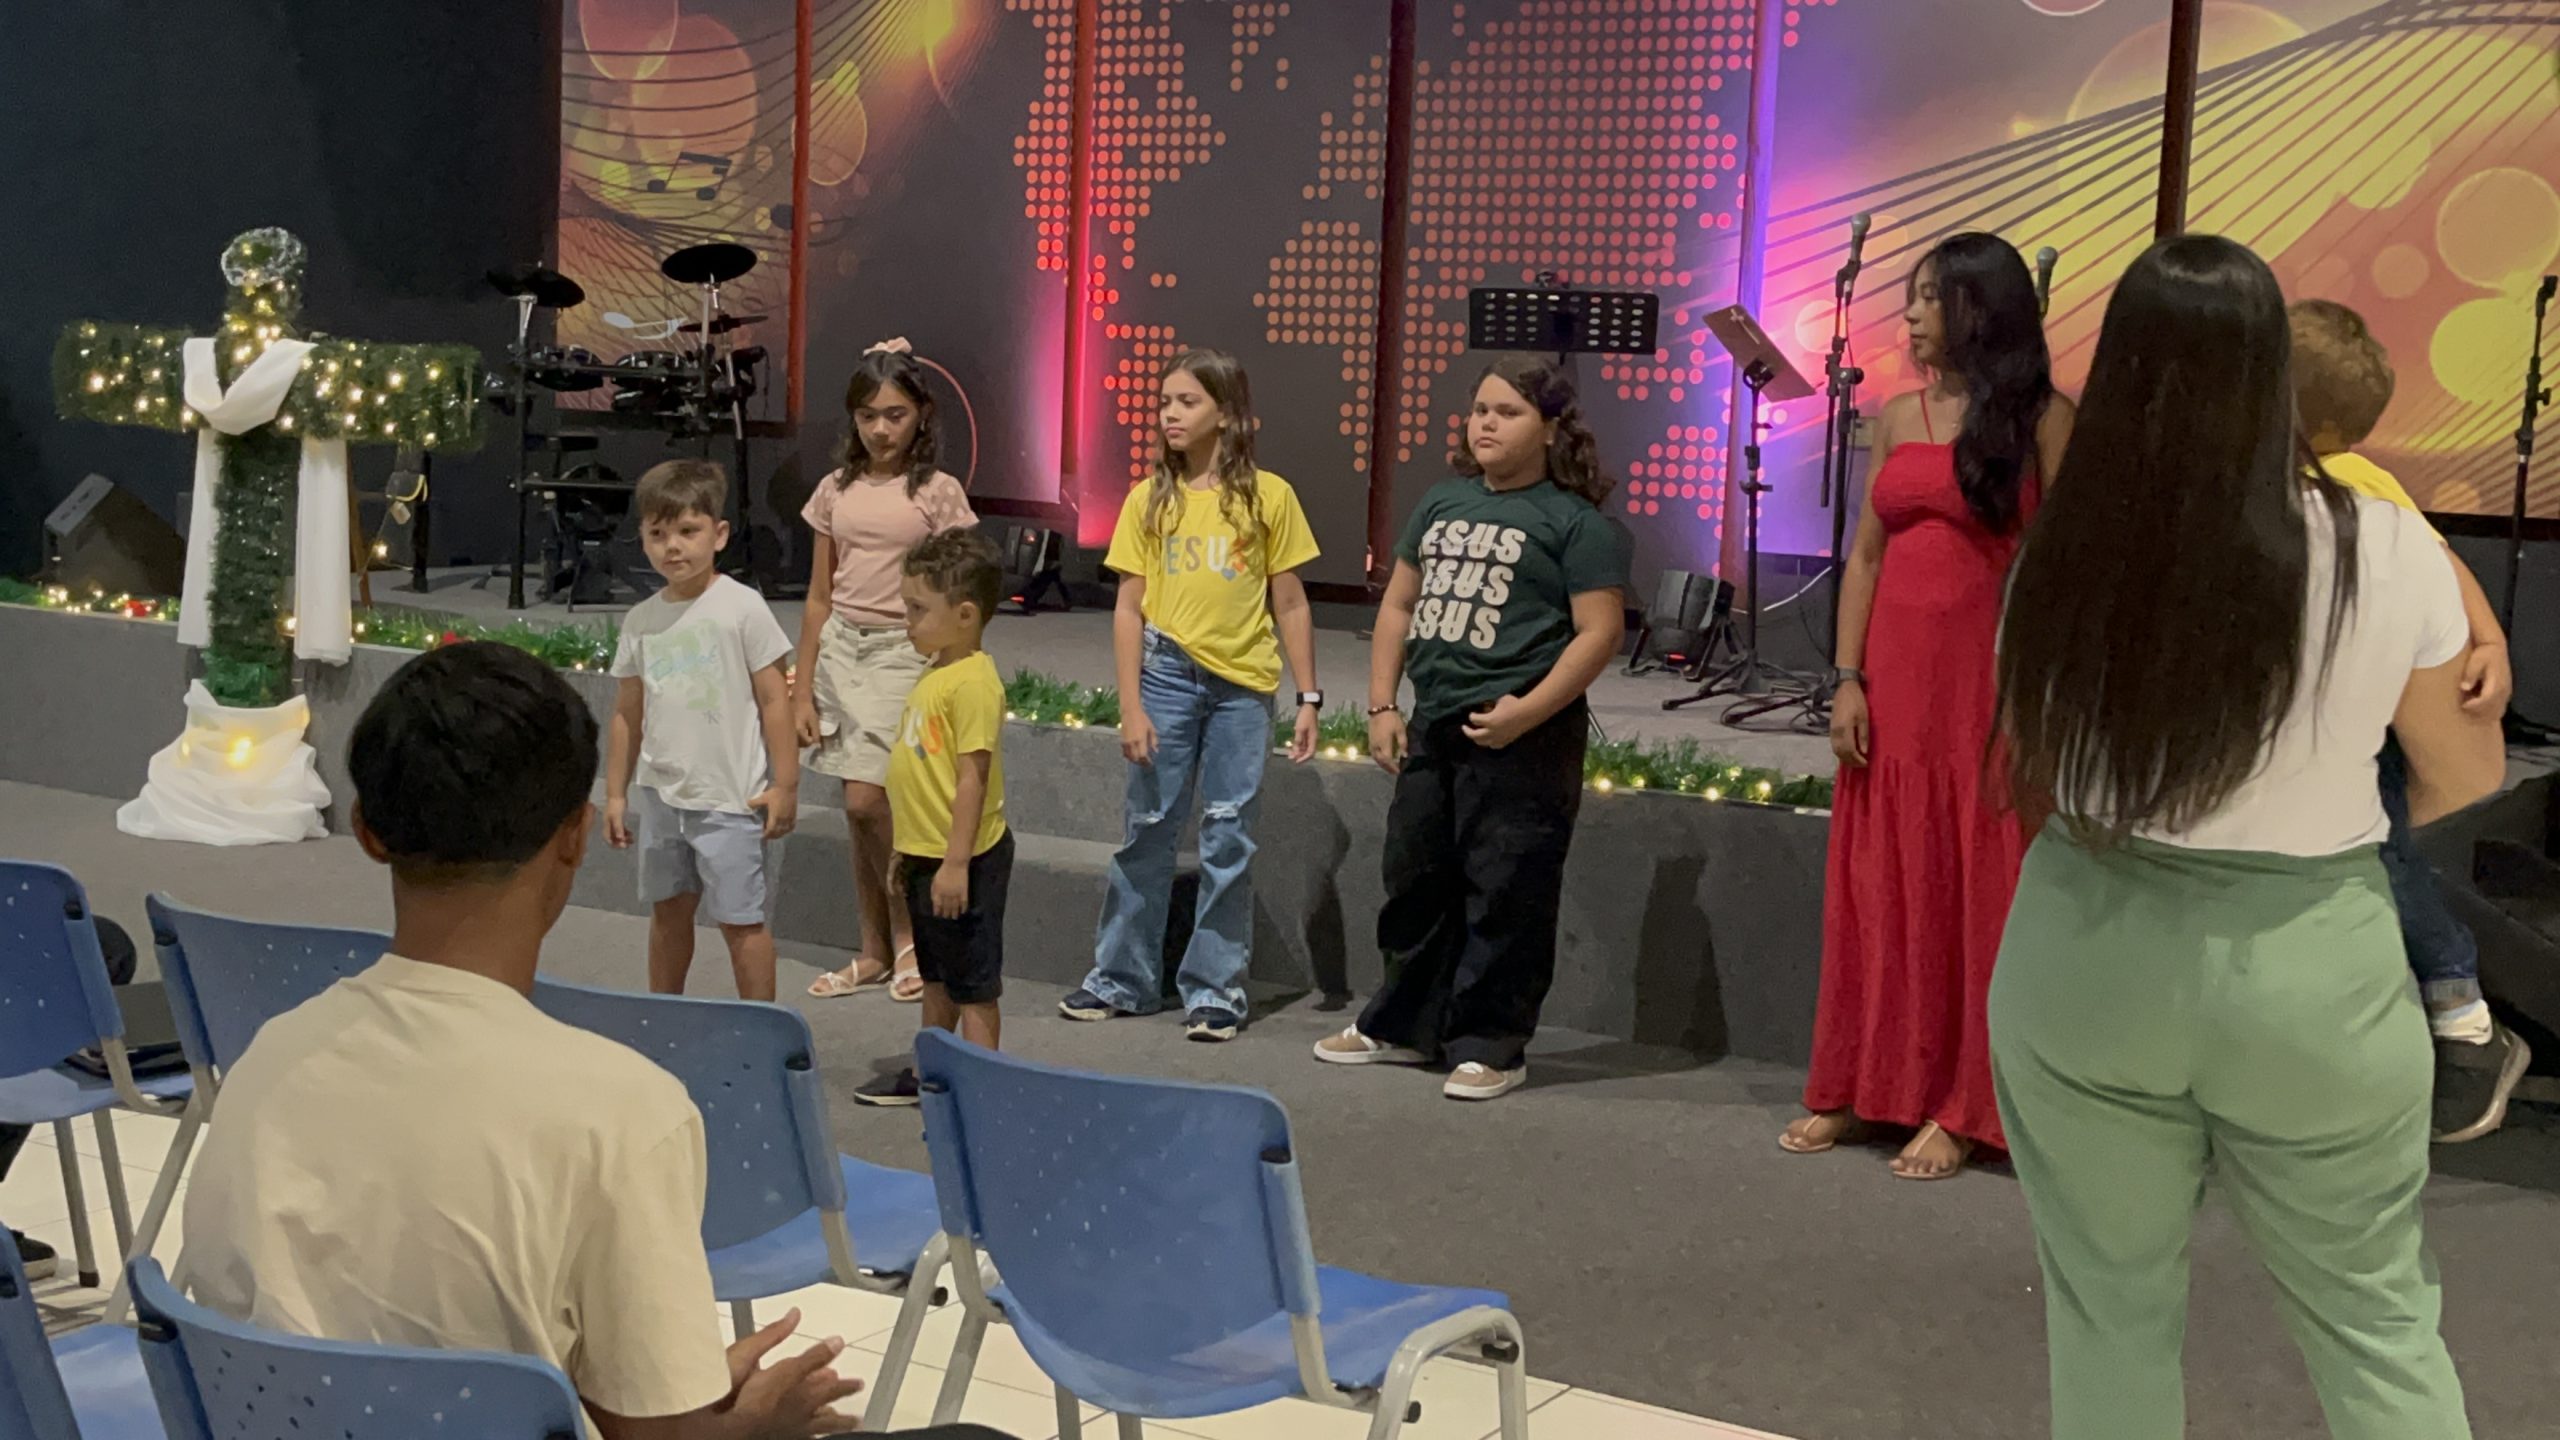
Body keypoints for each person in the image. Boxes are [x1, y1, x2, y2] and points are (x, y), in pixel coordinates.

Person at [1991, 235, 2502, 1440]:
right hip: (2312, 965)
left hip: (2085, 948)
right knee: (2373, 1318)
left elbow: (2036, 758)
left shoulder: (2061, 549)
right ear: (2276, 364)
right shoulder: (2382, 544)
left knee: (2107, 1317)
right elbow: (2464, 775)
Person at [177, 641, 867, 1440]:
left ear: (367, 831)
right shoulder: (622, 1114)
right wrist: (755, 1425)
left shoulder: (267, 1059)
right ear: (575, 834)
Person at [1781, 231, 2075, 1180]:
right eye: (1910, 296)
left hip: (1987, 689)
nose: (1909, 314)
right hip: (1895, 687)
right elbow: (1866, 555)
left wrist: (2038, 693)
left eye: (1929, 297)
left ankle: (1964, 1103)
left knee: (1974, 893)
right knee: (1883, 888)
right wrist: (1848, 676)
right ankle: (1865, 1085)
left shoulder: (2044, 420)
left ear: (1981, 308)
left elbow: (2064, 570)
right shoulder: (1898, 414)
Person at [1312, 354, 1627, 1100]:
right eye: (1480, 409)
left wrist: (1527, 711)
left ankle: (1492, 1043)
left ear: (1550, 429)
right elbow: (1399, 605)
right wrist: (1383, 704)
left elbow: (1599, 632)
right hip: (1437, 723)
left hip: (1524, 734)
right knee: (1415, 876)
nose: (1486, 423)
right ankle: (1403, 1023)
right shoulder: (1442, 503)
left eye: (1507, 412)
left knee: (1507, 888)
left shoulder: (1575, 523)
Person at [2289, 297, 2531, 1141]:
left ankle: (2465, 1016)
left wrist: (2489, 639)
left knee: (2383, 860)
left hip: (2363, 723)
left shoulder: (2351, 485)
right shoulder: (2298, 481)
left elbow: (2437, 561)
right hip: (2322, 722)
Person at [1058, 348, 1321, 1041]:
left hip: (1242, 689)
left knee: (1228, 835)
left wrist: (1309, 696)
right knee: (1148, 828)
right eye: (1165, 402)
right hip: (1167, 678)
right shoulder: (1150, 499)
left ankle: (1215, 989)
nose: (1170, 414)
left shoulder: (1269, 496)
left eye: (1187, 402)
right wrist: (1131, 704)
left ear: (1226, 414)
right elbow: (1129, 607)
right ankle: (1122, 978)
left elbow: (1290, 602)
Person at [799, 341, 980, 1005]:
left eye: (895, 415)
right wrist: (804, 683)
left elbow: (964, 590)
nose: (881, 429)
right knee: (857, 813)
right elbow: (819, 594)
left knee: (870, 800)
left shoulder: (935, 492)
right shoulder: (835, 489)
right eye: (869, 415)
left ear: (921, 416)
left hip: (904, 653)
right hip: (842, 651)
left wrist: (956, 670)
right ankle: (874, 949)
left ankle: (907, 938)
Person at [604, 460, 798, 1002]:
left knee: (741, 922)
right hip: (662, 796)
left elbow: (774, 701)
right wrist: (616, 793)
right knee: (668, 912)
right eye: (657, 534)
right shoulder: (641, 620)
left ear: (719, 534)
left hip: (729, 799)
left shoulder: (741, 607)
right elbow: (627, 712)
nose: (673, 547)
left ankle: (760, 1027)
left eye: (688, 531)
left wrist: (786, 783)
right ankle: (665, 1013)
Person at [851, 530, 1015, 1107]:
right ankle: (932, 1076)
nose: (907, 622)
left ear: (965, 615)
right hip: (928, 854)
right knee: (937, 973)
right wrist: (908, 849)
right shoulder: (936, 672)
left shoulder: (972, 684)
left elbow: (971, 779)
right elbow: (922, 774)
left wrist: (955, 864)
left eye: (917, 609)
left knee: (973, 984)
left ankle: (982, 1091)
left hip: (964, 859)